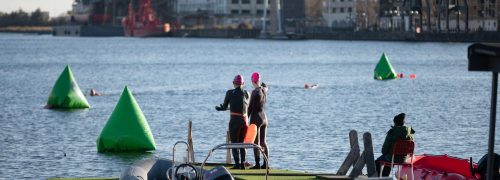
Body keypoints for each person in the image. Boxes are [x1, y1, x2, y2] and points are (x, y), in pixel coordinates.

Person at [215, 74, 250, 170]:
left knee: (234, 143)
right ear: (243, 83)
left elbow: (225, 106)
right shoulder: (247, 93)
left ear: (234, 83)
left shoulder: (229, 93)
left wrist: (222, 108)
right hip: (244, 121)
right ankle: (243, 164)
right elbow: (243, 106)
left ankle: (237, 164)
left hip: (234, 121)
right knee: (242, 143)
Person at [248, 72, 269, 169]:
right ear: (259, 80)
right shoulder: (264, 90)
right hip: (264, 117)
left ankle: (257, 164)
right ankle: (266, 164)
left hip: (256, 118)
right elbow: (265, 85)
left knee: (256, 143)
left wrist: (246, 118)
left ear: (252, 81)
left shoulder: (255, 92)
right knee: (263, 142)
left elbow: (250, 107)